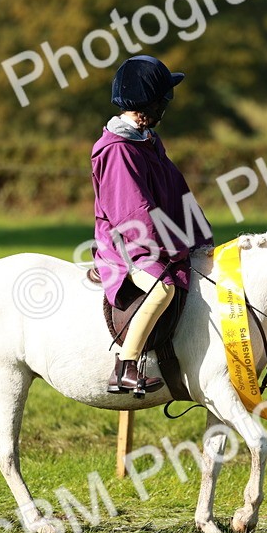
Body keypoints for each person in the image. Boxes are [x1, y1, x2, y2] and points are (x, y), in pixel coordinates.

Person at [91, 55, 213, 394]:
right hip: (128, 243)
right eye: (165, 100)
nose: (167, 107)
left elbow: (177, 190)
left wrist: (200, 237)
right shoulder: (118, 150)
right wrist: (171, 248)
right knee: (163, 287)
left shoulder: (147, 141)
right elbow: (133, 212)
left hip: (155, 236)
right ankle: (125, 365)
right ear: (151, 102)